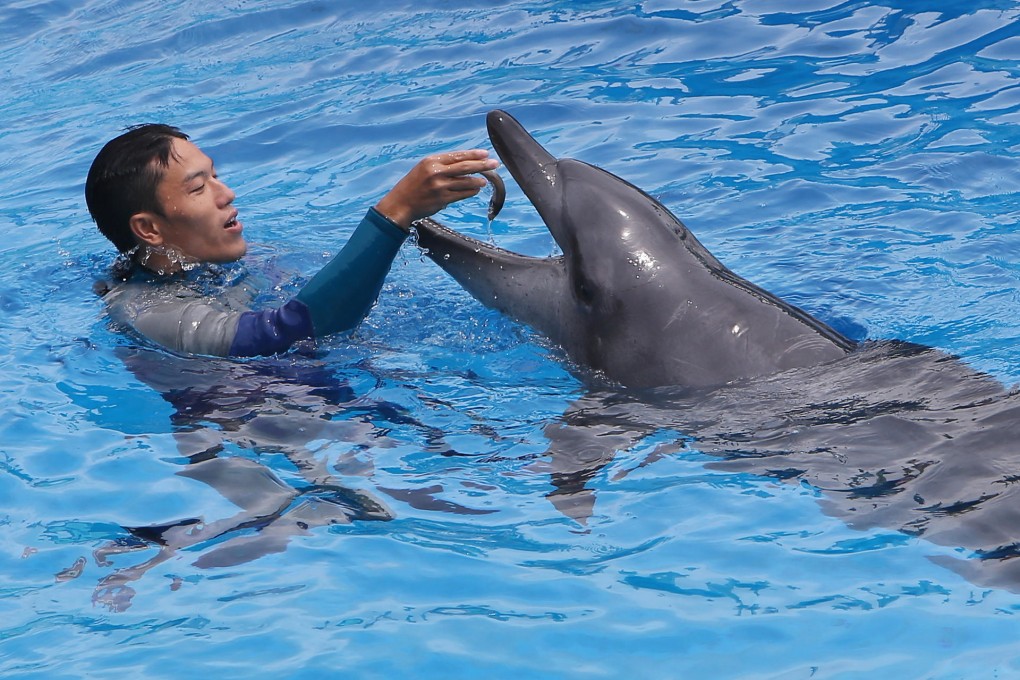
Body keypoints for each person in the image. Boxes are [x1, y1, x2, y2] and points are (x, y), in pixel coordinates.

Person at [86, 123, 497, 356]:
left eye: (215, 174)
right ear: (149, 229)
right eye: (198, 188)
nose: (226, 193)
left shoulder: (222, 265)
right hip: (242, 422)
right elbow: (289, 333)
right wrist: (395, 213)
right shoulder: (147, 311)